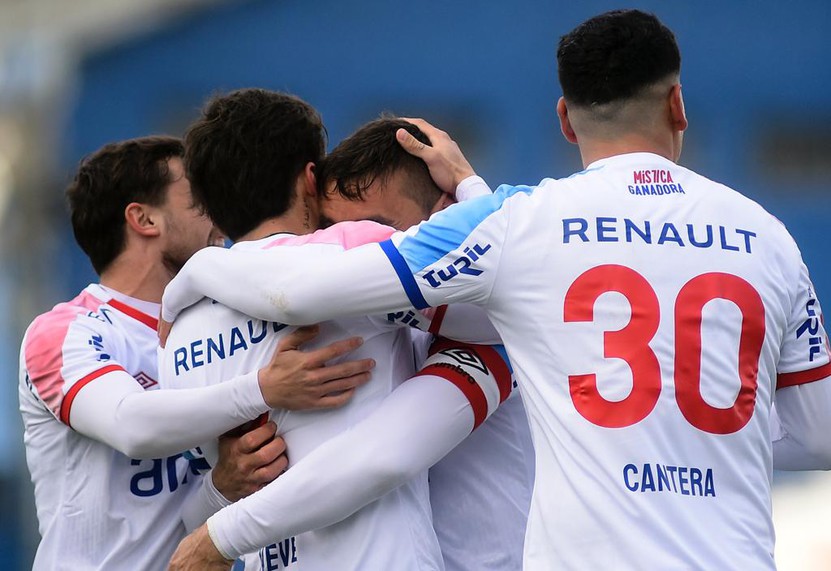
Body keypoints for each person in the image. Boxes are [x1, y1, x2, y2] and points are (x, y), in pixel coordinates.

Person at [162, 9, 831, 570]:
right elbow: (817, 432)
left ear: (565, 119)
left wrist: (197, 270)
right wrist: (679, 427)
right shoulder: (767, 236)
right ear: (677, 104)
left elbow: (304, 292)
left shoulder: (518, 232)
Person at [160, 89, 512, 570]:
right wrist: (471, 188)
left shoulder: (178, 334)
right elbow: (506, 306)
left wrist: (199, 271)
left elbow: (202, 500)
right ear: (311, 180)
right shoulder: (355, 258)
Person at [18, 136, 374, 570]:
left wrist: (223, 485)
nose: (219, 218)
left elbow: (185, 529)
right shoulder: (64, 332)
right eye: (198, 200)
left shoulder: (218, 325)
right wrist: (265, 388)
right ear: (144, 218)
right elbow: (132, 425)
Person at [319, 116, 534, 571]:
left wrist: (470, 186)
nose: (354, 254)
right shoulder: (353, 321)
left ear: (445, 216)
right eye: (334, 234)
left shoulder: (501, 316)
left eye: (377, 231)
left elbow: (383, 459)